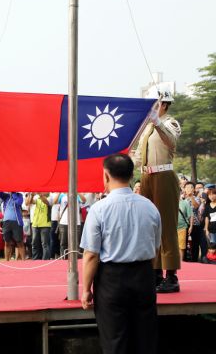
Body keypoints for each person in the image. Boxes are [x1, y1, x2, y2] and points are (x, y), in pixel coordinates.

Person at [80, 154, 161, 354]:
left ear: (106, 176)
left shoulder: (99, 209)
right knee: (145, 340)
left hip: (112, 280)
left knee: (115, 340)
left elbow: (91, 255)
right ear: (132, 175)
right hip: (143, 276)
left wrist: (86, 289)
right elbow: (156, 248)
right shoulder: (150, 207)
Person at [133, 91, 181, 293]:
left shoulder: (170, 123)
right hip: (146, 177)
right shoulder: (146, 128)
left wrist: (157, 123)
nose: (152, 106)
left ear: (164, 105)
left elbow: (171, 142)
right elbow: (138, 156)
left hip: (163, 176)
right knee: (149, 226)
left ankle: (171, 275)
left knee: (166, 225)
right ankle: (154, 272)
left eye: (156, 103)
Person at [0, 192, 24, 261]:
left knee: (19, 242)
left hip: (17, 222)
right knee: (7, 242)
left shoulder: (19, 195)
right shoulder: (6, 196)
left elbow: (19, 203)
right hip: (6, 222)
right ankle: (7, 260)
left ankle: (23, 261)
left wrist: (14, 194)